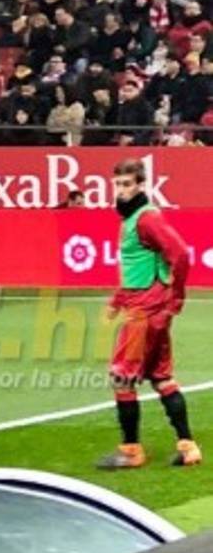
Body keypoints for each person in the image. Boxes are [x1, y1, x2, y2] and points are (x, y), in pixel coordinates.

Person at [97, 158, 202, 469]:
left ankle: (131, 451)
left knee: (122, 378)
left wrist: (176, 298)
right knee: (162, 377)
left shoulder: (146, 219)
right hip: (149, 307)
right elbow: (138, 267)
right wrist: (118, 300)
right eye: (118, 184)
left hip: (146, 310)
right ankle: (188, 447)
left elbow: (181, 254)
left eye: (127, 184)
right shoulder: (133, 219)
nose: (121, 190)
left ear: (141, 185)